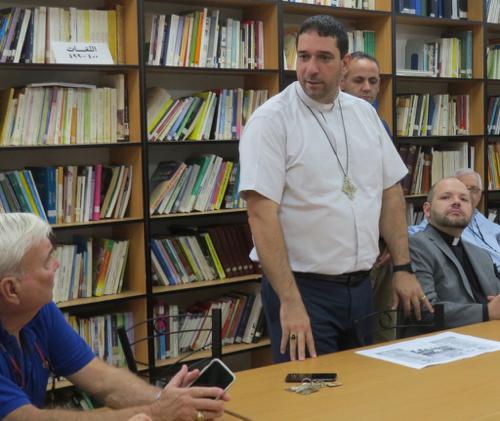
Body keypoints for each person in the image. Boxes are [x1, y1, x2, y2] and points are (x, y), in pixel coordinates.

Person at [238, 14, 431, 363]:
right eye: (303, 56)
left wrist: (403, 268)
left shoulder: (364, 115)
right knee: (312, 391)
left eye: (323, 57)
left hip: (361, 287)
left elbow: (390, 192)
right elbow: (260, 215)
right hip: (303, 290)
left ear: (344, 64)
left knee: (361, 387)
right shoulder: (271, 121)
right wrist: (290, 301)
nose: (310, 68)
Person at [0, 212, 228, 421]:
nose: (57, 264)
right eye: (46, 261)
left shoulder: (40, 311)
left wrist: (167, 400)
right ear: (11, 289)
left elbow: (101, 379)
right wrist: (159, 412)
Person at [341, 51, 393, 340]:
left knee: (375, 331)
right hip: (342, 251)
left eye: (373, 81)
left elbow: (389, 188)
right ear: (342, 81)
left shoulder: (379, 125)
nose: (367, 88)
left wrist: (391, 239)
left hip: (377, 245)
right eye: (358, 80)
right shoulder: (330, 123)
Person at [409, 177, 500, 328]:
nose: (457, 202)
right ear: (427, 210)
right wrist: (486, 312)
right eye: (446, 197)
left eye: (464, 199)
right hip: (441, 339)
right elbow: (424, 312)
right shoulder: (415, 246)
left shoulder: (482, 255)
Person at [409, 168, 500, 269]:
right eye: (463, 187)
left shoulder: (483, 221)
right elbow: (416, 234)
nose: (469, 193)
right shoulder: (445, 220)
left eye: (474, 190)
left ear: (480, 194)